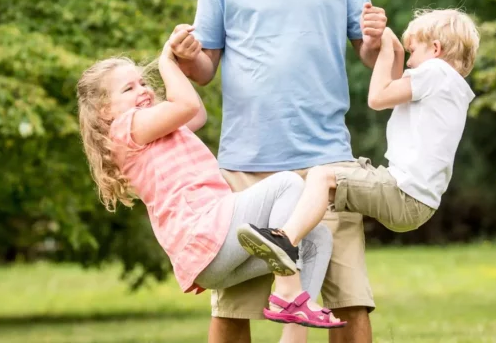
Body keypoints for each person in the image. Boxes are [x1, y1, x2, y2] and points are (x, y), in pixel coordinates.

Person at [168, 0, 386, 343]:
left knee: (350, 303)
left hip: (327, 165)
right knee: (233, 310)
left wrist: (375, 40)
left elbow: (369, 55)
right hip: (248, 167)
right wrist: (184, 53)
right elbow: (205, 69)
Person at [76, 38, 347, 332]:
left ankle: (293, 332)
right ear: (104, 111)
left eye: (143, 83)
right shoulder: (126, 128)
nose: (143, 90)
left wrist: (177, 67)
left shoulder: (152, 127)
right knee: (287, 184)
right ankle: (287, 292)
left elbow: (196, 113)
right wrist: (166, 62)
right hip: (205, 234)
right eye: (129, 88)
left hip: (214, 253)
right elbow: (188, 105)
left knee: (316, 238)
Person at [236, 9, 480, 273]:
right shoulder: (449, 86)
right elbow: (393, 89)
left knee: (321, 177)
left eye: (413, 53)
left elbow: (378, 98)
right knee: (322, 188)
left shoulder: (435, 73)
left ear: (435, 49)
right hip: (415, 200)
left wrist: (387, 49)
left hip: (404, 193)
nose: (410, 63)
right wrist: (395, 51)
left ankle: (285, 241)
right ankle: (293, 260)